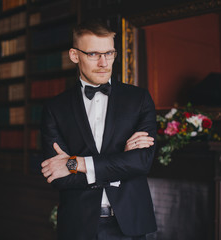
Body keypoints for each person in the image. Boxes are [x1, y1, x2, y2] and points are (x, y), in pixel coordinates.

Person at [41, 20, 157, 240]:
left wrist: (77, 163)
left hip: (130, 223)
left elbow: (142, 163)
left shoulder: (139, 99)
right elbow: (57, 176)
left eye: (109, 53)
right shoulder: (55, 108)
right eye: (93, 54)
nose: (104, 63)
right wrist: (122, 160)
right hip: (78, 225)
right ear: (75, 56)